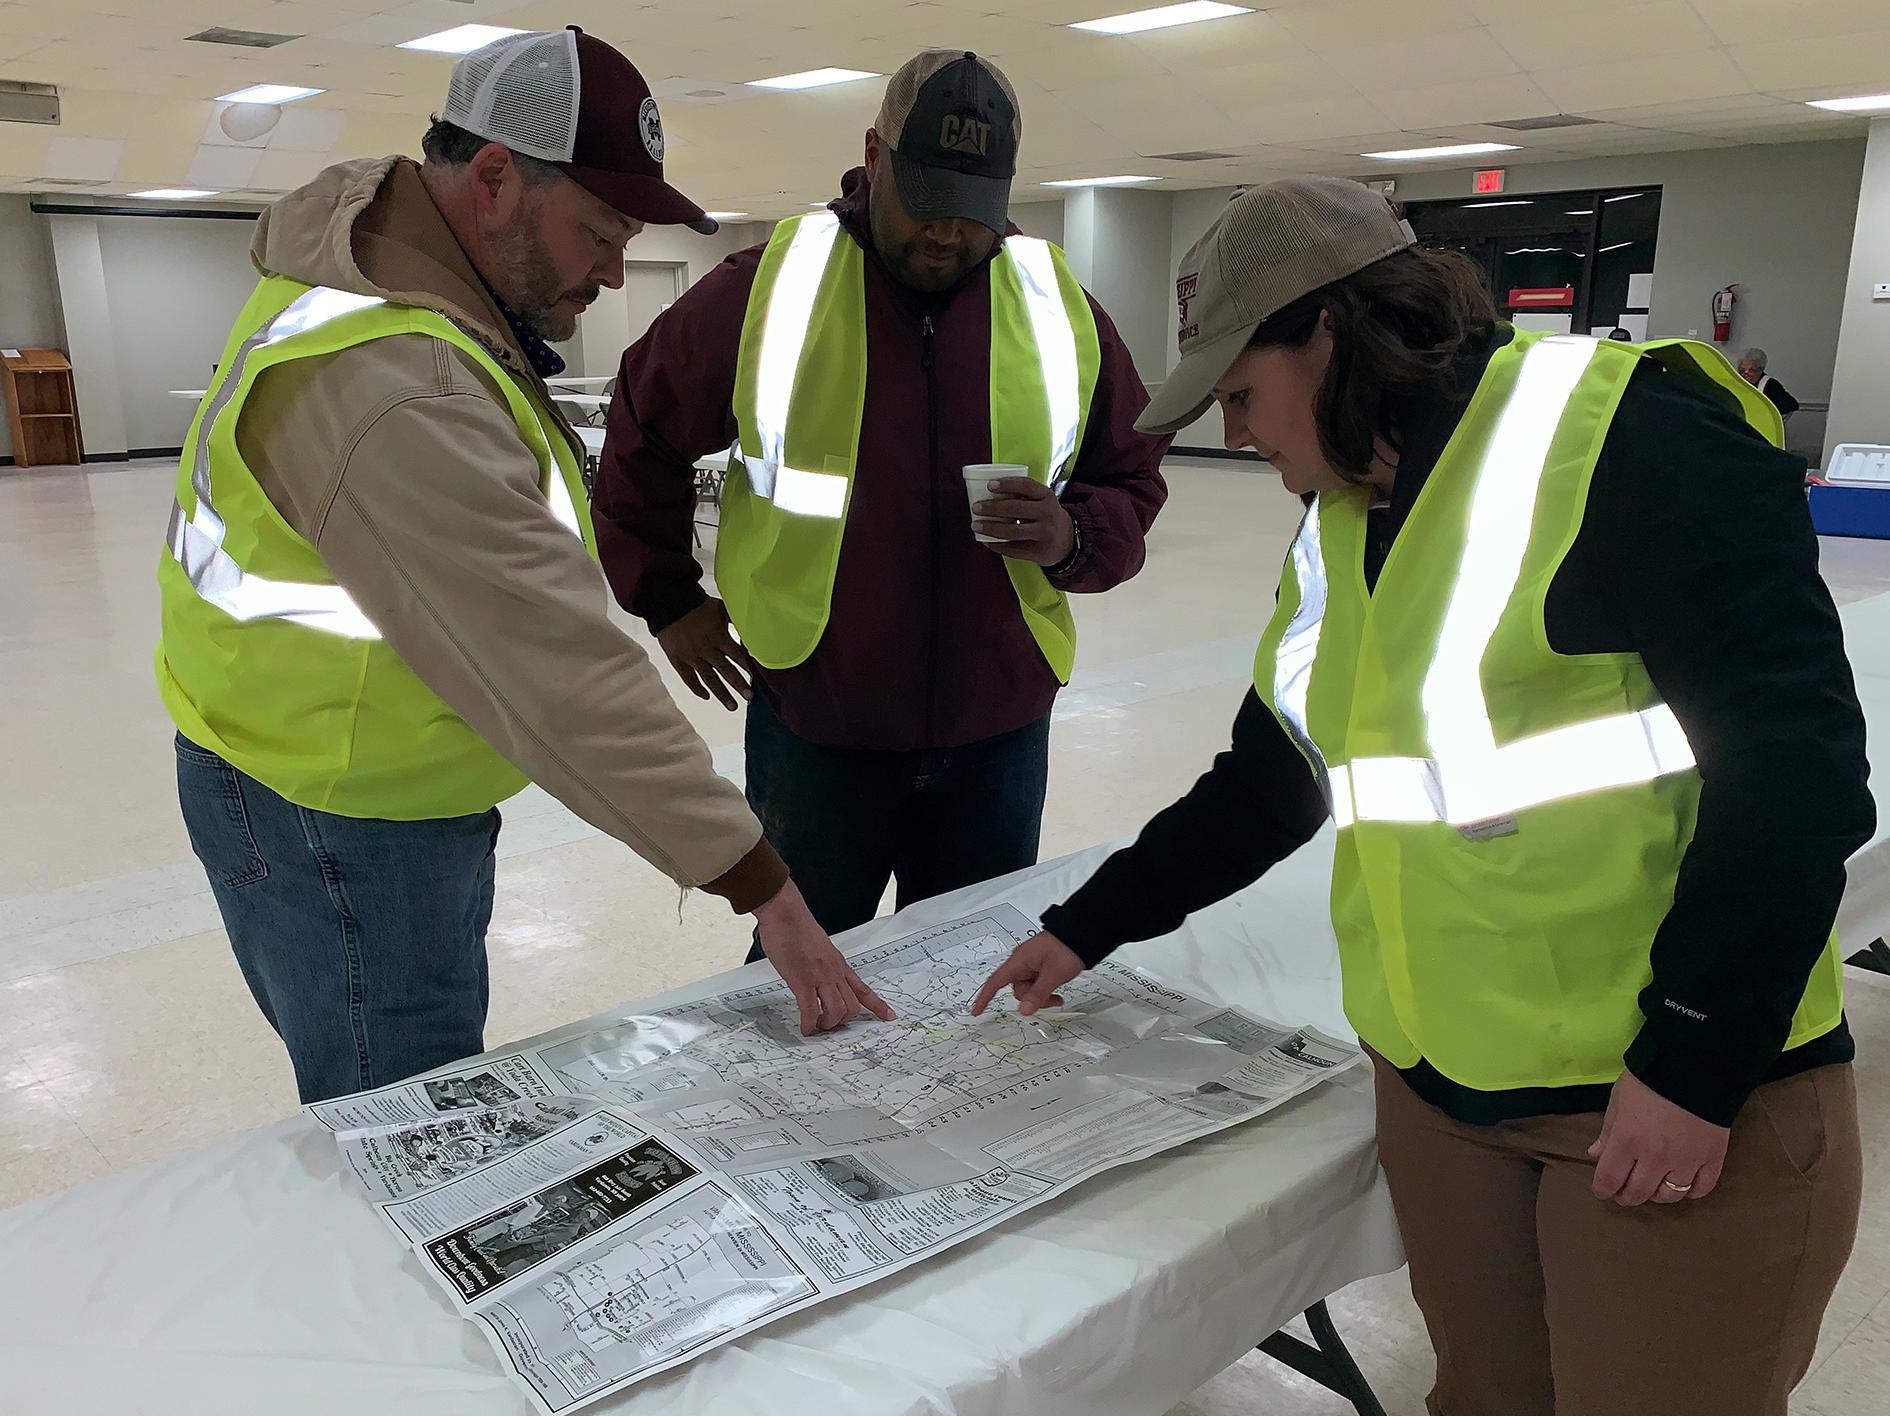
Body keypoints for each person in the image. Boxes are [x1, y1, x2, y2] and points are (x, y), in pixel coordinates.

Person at [971, 176, 1868, 1415]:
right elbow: (1273, 775)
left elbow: (1796, 772)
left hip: (1656, 1094)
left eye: (1240, 395)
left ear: (1329, 331)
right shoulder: (1343, 516)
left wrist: (1695, 1060)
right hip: (1445, 1096)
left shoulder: (1629, 436)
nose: (1236, 437)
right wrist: (1089, 925)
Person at [157, 29, 890, 1105]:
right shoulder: (395, 376)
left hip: (356, 767)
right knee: (409, 1123)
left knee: (414, 1089)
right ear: (495, 176)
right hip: (338, 817)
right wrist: (766, 888)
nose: (611, 267)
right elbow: (557, 671)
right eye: (599, 231)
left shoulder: (405, 295)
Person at [593, 50, 1170, 949]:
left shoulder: (1055, 304)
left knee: (971, 964)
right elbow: (640, 429)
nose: (946, 232)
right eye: (926, 198)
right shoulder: (770, 288)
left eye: (971, 210)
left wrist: (1071, 534)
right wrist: (667, 597)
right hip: (820, 721)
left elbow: (1132, 473)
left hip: (1000, 724)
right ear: (873, 155)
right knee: (799, 971)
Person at [1739, 346, 1801, 418]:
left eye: (1751, 370)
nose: (1746, 374)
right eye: (1742, 370)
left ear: (1760, 369)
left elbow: (1792, 405)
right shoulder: (1736, 382)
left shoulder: (1771, 385)